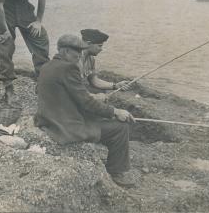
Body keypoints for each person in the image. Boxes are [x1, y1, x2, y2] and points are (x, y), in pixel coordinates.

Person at [34, 34, 136, 188]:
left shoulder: (47, 66)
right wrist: (115, 111)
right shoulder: (68, 68)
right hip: (64, 126)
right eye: (77, 52)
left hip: (47, 119)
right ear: (66, 51)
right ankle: (116, 173)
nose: (79, 56)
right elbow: (86, 102)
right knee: (120, 128)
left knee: (102, 118)